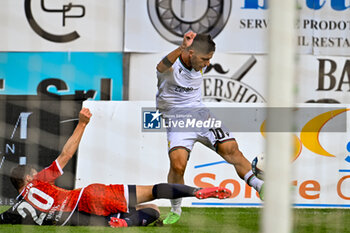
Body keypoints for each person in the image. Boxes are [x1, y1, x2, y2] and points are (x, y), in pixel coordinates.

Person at [0, 108, 231, 227]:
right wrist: (82, 123)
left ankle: (127, 222)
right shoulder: (39, 180)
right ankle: (195, 191)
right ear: (28, 178)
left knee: (150, 211)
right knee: (154, 193)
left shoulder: (17, 209)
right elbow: (66, 154)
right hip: (88, 196)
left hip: (80, 217)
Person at [156, 31, 265, 224]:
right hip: (177, 119)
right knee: (178, 164)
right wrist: (182, 46)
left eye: (209, 59)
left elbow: (201, 46)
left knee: (231, 149)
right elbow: (160, 66)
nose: (207, 64)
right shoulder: (172, 67)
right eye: (204, 59)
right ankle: (175, 209)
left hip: (200, 114)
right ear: (191, 53)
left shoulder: (199, 64)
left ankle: (260, 187)